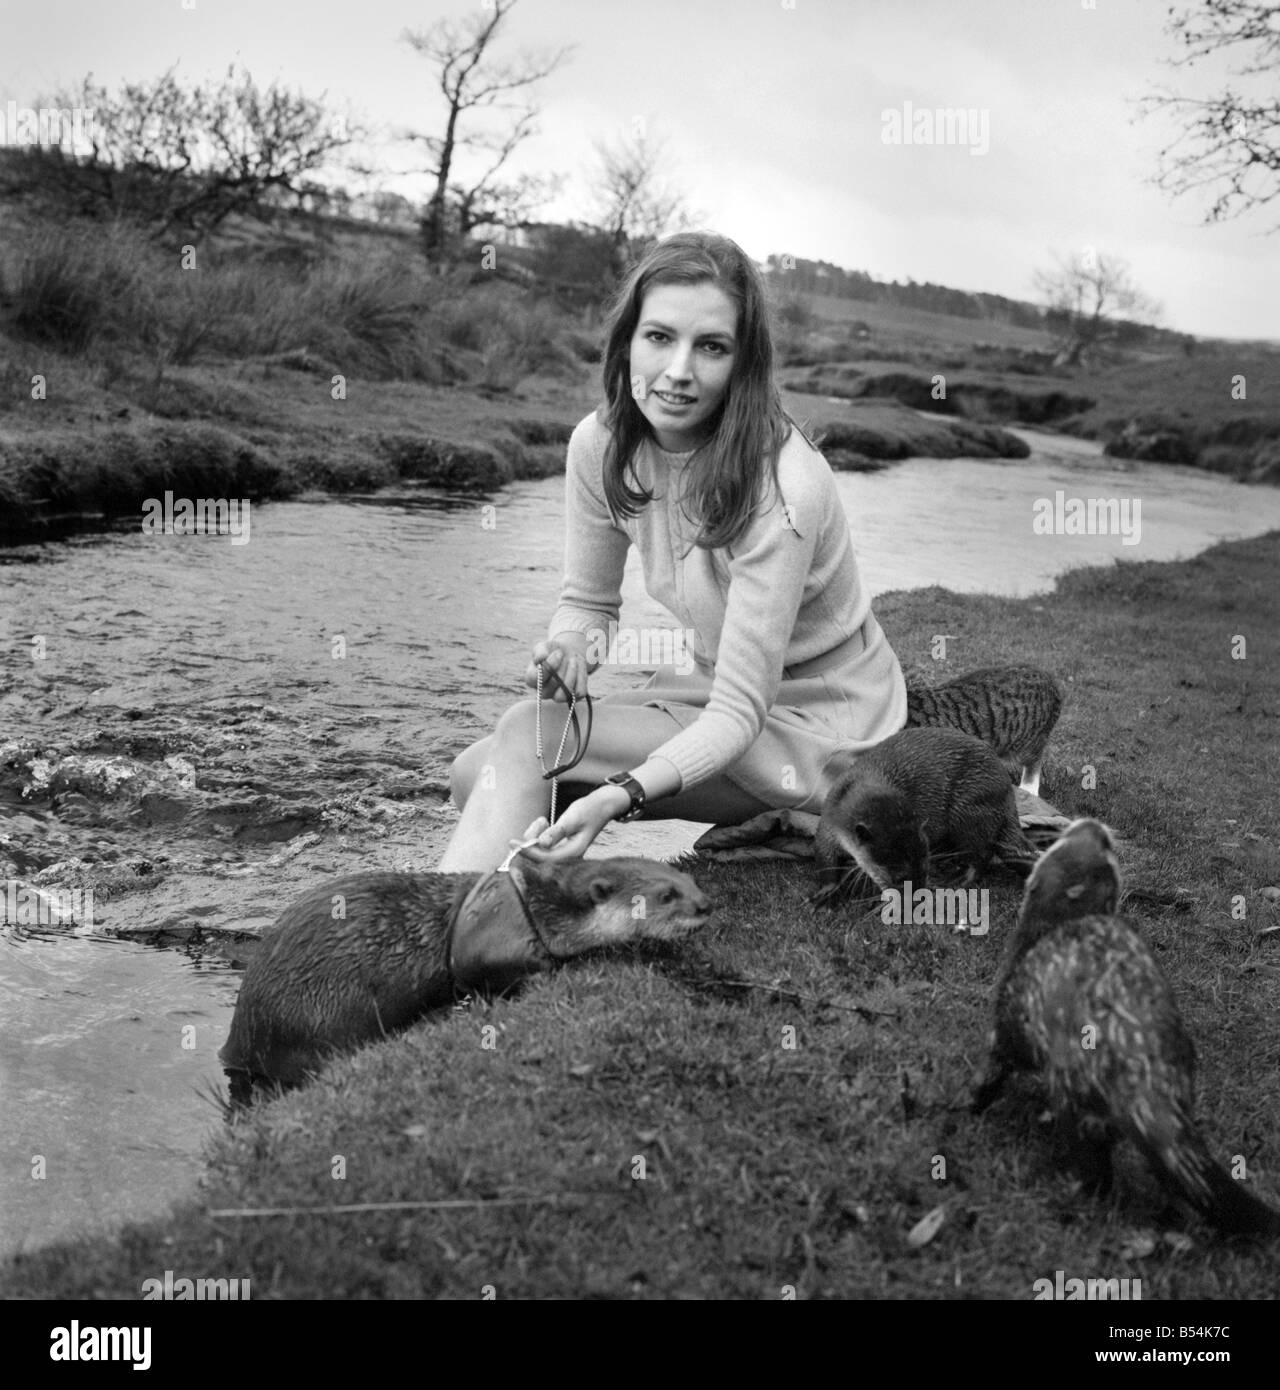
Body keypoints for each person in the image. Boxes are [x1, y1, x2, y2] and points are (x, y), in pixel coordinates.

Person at [437, 231, 906, 872]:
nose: (679, 371)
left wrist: (619, 795)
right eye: (659, 337)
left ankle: (441, 949)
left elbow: (741, 711)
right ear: (627, 339)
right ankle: (543, 919)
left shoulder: (785, 488)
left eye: (710, 347)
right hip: (708, 688)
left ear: (743, 363)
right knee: (475, 774)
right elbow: (587, 601)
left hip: (819, 728)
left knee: (523, 738)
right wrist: (572, 647)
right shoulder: (599, 446)